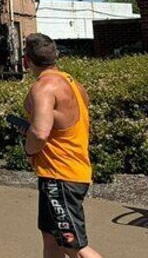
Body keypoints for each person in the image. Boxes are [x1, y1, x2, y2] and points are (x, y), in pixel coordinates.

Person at [22, 33, 102, 258]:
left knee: (74, 245)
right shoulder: (72, 82)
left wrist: (29, 151)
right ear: (56, 55)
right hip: (62, 174)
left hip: (62, 178)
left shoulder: (44, 87)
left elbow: (39, 133)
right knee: (51, 240)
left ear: (26, 61)